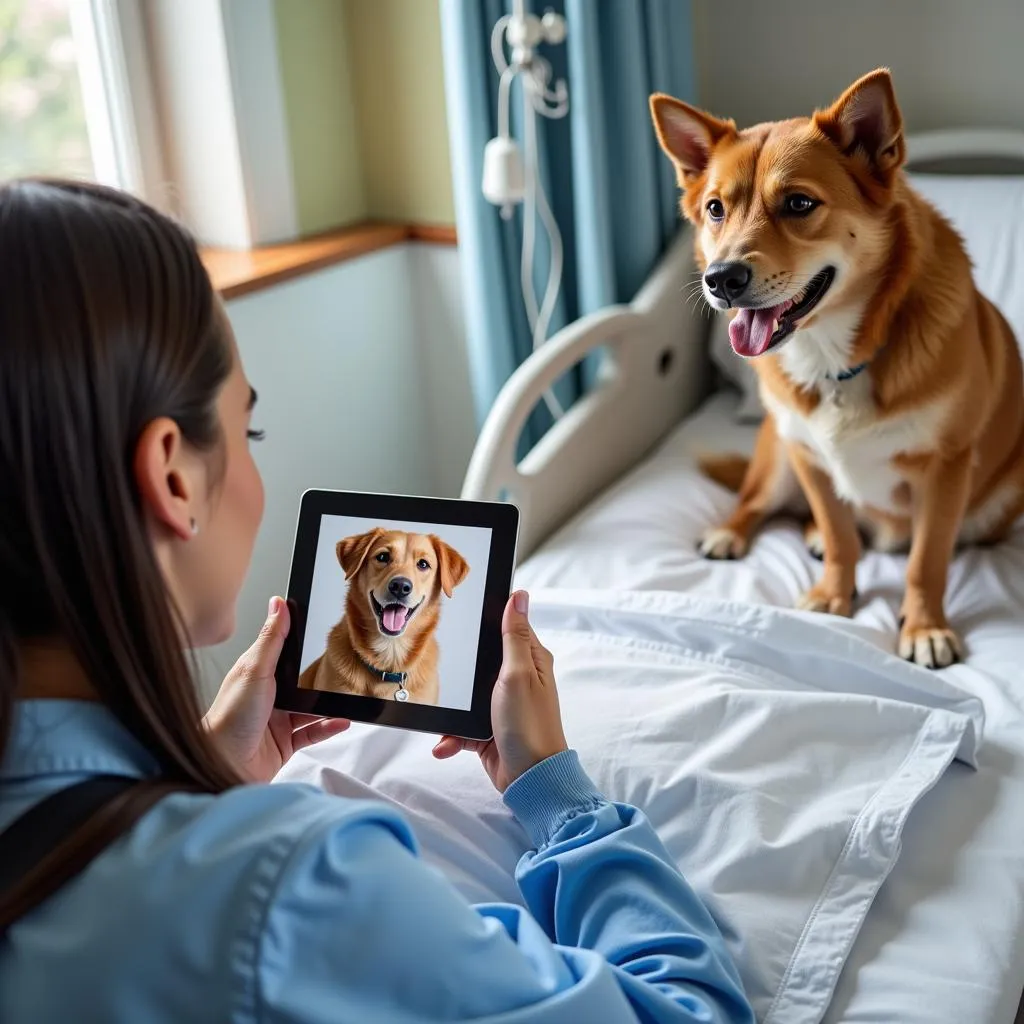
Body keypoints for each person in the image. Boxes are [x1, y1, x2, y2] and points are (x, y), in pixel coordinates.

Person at [0, 179, 754, 1024]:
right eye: (246, 430)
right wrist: (562, 799)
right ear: (174, 477)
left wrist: (203, 781)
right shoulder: (295, 889)